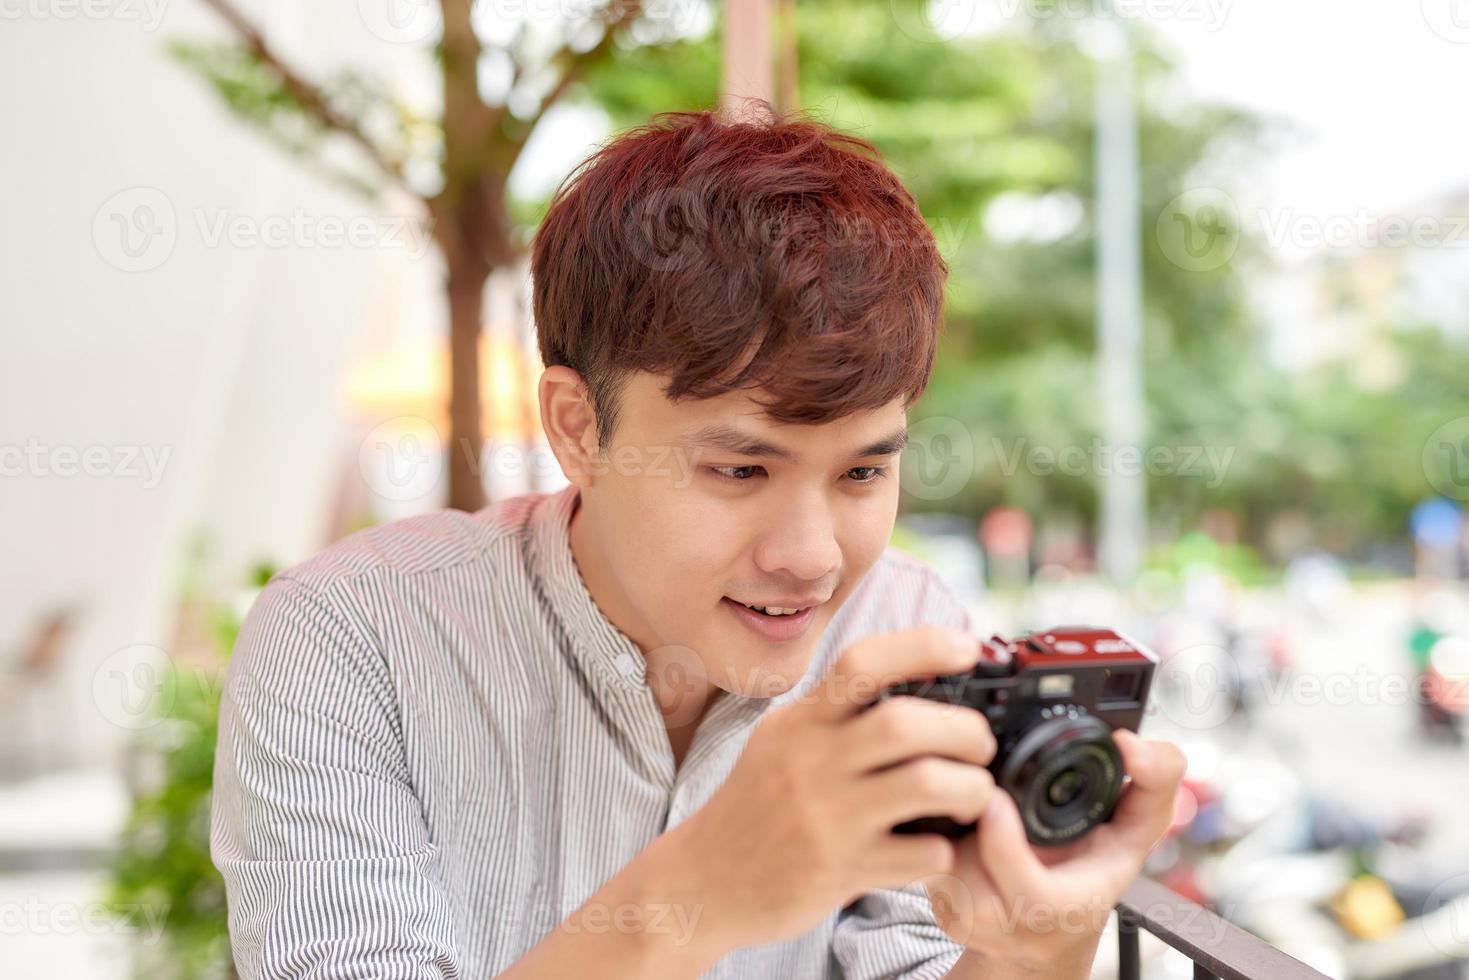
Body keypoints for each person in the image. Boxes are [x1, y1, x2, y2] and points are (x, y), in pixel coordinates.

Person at [210, 104, 1186, 980]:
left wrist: (1040, 942)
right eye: (738, 470)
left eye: (860, 472)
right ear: (577, 426)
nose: (811, 557)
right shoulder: (351, 639)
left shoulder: (902, 620)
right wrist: (710, 886)